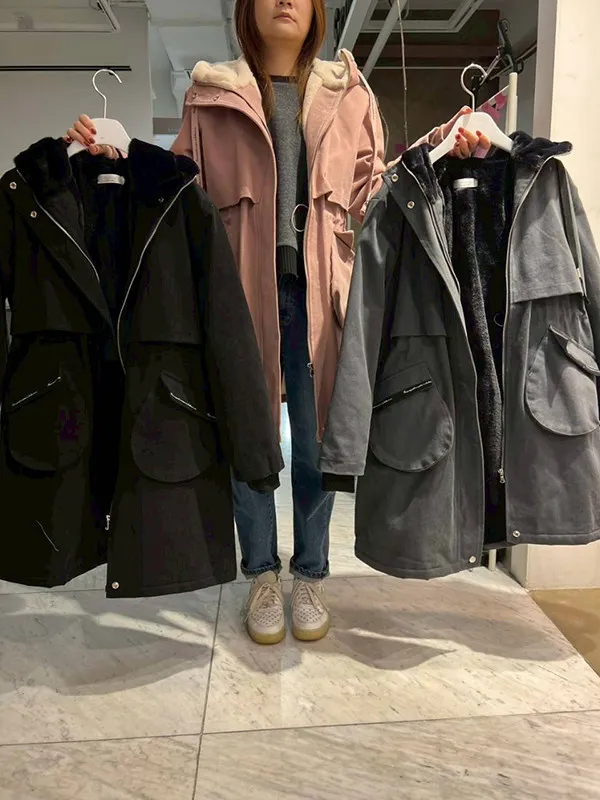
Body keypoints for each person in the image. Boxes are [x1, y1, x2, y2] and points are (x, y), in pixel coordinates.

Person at [65, 0, 490, 645]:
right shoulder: (212, 97)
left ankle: (311, 573)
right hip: (240, 298)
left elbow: (376, 191)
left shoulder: (349, 94)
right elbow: (177, 191)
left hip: (323, 296)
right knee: (251, 435)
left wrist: (437, 147)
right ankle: (262, 573)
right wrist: (118, 156)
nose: (285, 0)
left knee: (317, 442)